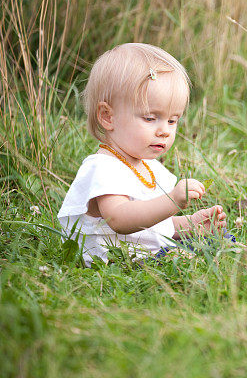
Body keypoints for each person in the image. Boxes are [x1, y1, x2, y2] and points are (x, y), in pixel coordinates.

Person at [58, 43, 226, 265]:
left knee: (219, 244)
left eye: (172, 120)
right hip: (118, 261)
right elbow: (120, 219)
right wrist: (172, 200)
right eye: (149, 118)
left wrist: (189, 224)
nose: (164, 130)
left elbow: (152, 227)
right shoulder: (103, 168)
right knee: (194, 258)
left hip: (148, 253)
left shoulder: (147, 166)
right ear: (108, 116)